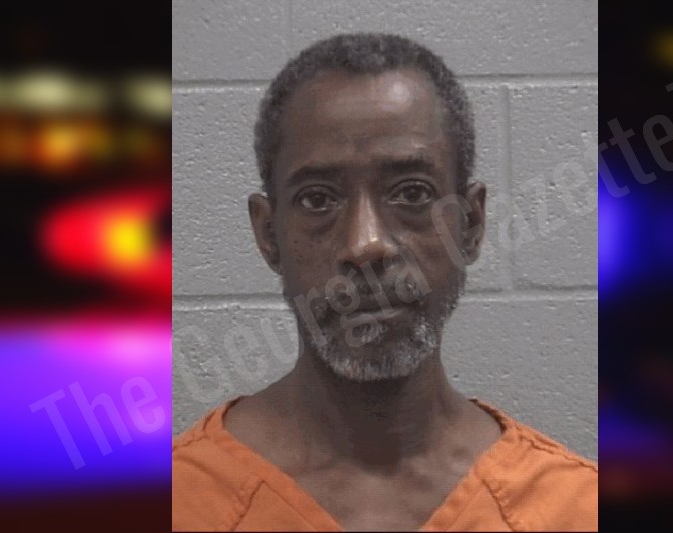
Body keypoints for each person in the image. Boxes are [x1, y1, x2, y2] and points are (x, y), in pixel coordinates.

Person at [172, 33, 597, 532]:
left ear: (471, 225)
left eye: (412, 193)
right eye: (317, 200)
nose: (365, 244)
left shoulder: (574, 508)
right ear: (269, 234)